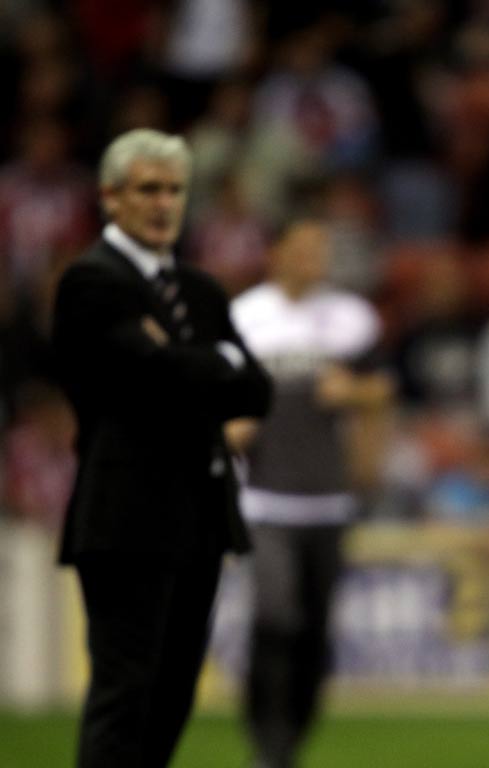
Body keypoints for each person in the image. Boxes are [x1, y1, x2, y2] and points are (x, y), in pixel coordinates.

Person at [51, 128, 273, 768]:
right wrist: (210, 363)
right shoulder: (92, 282)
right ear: (111, 198)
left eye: (175, 190)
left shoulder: (199, 288)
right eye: (148, 189)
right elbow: (151, 378)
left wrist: (183, 360)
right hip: (125, 514)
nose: (164, 203)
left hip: (198, 516)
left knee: (173, 694)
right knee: (125, 693)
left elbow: (255, 390)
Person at [226, 217, 393, 768]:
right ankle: (266, 743)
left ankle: (293, 736)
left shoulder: (351, 319)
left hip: (329, 495)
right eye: (302, 249)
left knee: (315, 631)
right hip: (266, 496)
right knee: (275, 617)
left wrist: (356, 395)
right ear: (275, 253)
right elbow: (222, 394)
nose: (313, 260)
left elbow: (382, 389)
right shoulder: (246, 316)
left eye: (320, 249)